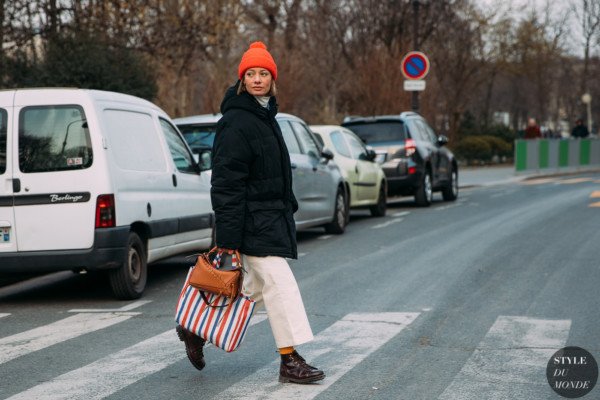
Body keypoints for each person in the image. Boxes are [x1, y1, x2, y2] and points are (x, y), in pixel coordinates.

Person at [176, 41, 325, 384]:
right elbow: (227, 184)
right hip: (250, 223)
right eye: (250, 73)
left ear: (272, 80)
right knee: (279, 284)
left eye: (263, 73)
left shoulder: (266, 116)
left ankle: (194, 329)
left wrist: (288, 205)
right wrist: (228, 239)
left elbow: (273, 172)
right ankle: (289, 360)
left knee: (251, 291)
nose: (257, 79)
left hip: (269, 218)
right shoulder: (237, 121)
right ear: (242, 79)